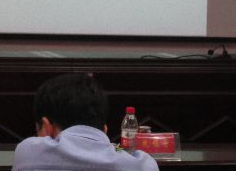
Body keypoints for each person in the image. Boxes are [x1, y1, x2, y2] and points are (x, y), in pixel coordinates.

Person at [12, 73, 159, 171]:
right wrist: (113, 146)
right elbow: (118, 149)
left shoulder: (28, 154)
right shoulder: (144, 165)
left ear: (46, 127)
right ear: (104, 130)